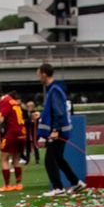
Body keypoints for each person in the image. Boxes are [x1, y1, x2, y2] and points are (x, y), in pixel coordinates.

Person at [37, 62, 86, 198]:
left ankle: (58, 188)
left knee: (49, 159)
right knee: (58, 158)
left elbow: (59, 112)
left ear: (44, 74)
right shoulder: (56, 89)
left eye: (39, 75)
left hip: (58, 130)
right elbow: (54, 111)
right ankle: (76, 182)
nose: (38, 78)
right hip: (62, 130)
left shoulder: (54, 90)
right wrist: (40, 115)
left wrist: (56, 130)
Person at [0, 90, 27, 193]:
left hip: (12, 133)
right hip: (22, 132)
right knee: (16, 159)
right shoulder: (14, 102)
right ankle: (19, 184)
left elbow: (1, 119)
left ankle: (7, 185)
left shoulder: (5, 101)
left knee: (3, 159)